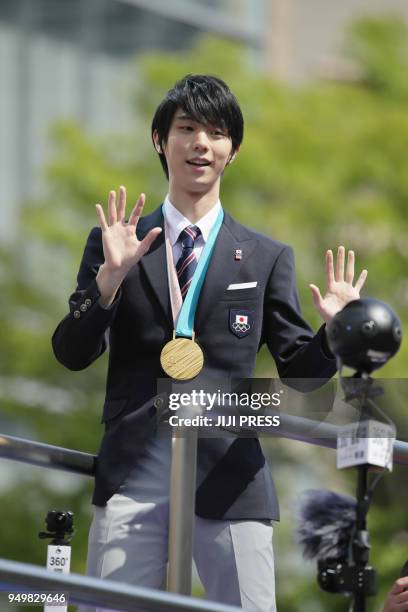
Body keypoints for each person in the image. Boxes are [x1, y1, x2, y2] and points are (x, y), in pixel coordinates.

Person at [52, 74, 367, 611]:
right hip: (135, 468)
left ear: (233, 150)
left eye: (217, 133)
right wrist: (108, 283)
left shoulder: (267, 256)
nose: (202, 143)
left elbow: (302, 374)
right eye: (187, 128)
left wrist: (335, 332)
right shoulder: (116, 243)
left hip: (230, 470)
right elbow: (72, 353)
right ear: (160, 140)